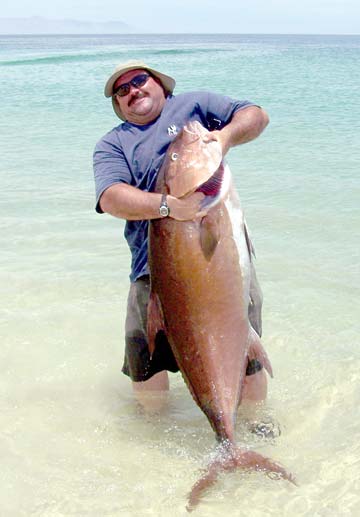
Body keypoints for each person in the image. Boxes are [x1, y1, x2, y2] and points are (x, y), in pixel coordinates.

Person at [93, 60, 269, 410]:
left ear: (159, 84)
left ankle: (253, 429)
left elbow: (257, 116)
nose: (133, 91)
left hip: (223, 265)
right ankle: (155, 442)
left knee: (244, 352)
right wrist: (169, 206)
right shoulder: (112, 144)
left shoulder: (195, 106)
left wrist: (223, 137)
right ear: (117, 104)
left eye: (139, 80)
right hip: (150, 273)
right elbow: (110, 197)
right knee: (146, 369)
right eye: (122, 91)